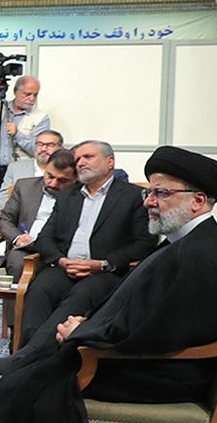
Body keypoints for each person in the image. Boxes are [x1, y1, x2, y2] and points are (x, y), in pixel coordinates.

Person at [0, 146, 217, 423]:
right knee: (27, 379)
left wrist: (82, 336)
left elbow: (162, 332)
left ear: (198, 201)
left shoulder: (204, 254)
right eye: (149, 194)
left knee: (24, 389)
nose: (150, 203)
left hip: (170, 374)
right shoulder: (190, 241)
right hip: (159, 362)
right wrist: (89, 325)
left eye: (160, 194)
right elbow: (150, 317)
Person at [17, 140, 152, 348]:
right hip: (64, 267)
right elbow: (44, 238)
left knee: (79, 297)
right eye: (78, 158)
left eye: (88, 157)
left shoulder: (133, 196)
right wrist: (62, 261)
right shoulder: (67, 196)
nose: (80, 162)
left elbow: (145, 243)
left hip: (105, 272)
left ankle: (33, 355)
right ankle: (24, 352)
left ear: (110, 162)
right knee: (39, 290)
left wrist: (103, 264)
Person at [0, 148, 75, 277]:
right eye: (50, 176)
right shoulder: (24, 186)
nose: (53, 183)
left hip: (62, 251)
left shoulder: (80, 194)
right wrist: (18, 237)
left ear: (75, 179)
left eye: (62, 180)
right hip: (27, 248)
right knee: (18, 262)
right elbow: (5, 219)